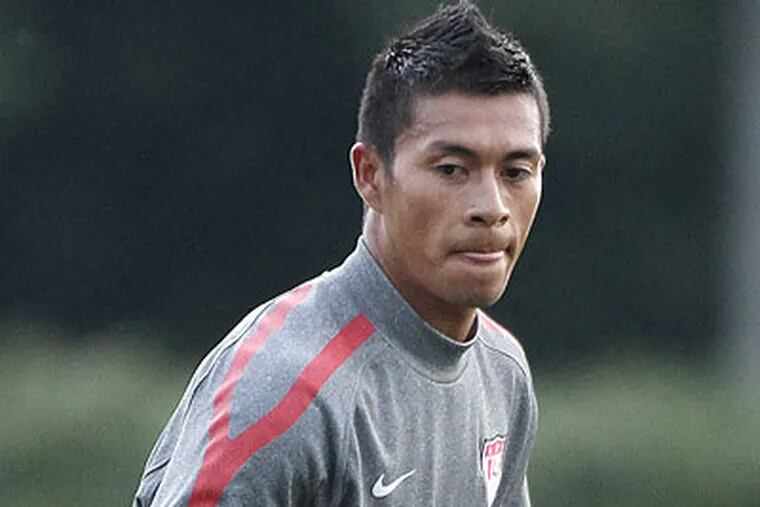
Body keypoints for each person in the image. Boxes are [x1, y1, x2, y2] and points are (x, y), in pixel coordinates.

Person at [133, 1, 550, 505]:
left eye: (516, 172)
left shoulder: (503, 374)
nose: (492, 208)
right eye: (451, 170)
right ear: (370, 176)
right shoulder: (284, 389)